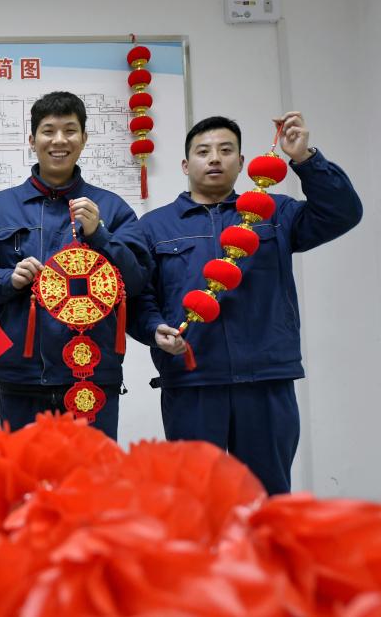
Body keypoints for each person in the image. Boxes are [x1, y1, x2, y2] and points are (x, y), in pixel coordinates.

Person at [128, 112, 362, 494]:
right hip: (192, 381)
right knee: (195, 500)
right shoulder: (154, 227)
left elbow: (343, 213)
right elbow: (139, 298)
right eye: (203, 151)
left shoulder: (275, 213)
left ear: (240, 162)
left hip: (265, 379)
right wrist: (154, 331)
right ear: (186, 165)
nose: (214, 158)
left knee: (266, 498)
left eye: (225, 150)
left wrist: (305, 159)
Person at [0, 91, 149, 438]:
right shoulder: (0, 207)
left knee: (93, 473)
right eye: (48, 131)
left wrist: (100, 235)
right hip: (22, 378)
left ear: (84, 138)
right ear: (32, 140)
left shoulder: (111, 208)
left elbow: (136, 283)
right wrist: (9, 279)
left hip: (92, 377)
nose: (59, 140)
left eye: (70, 130)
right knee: (23, 474)